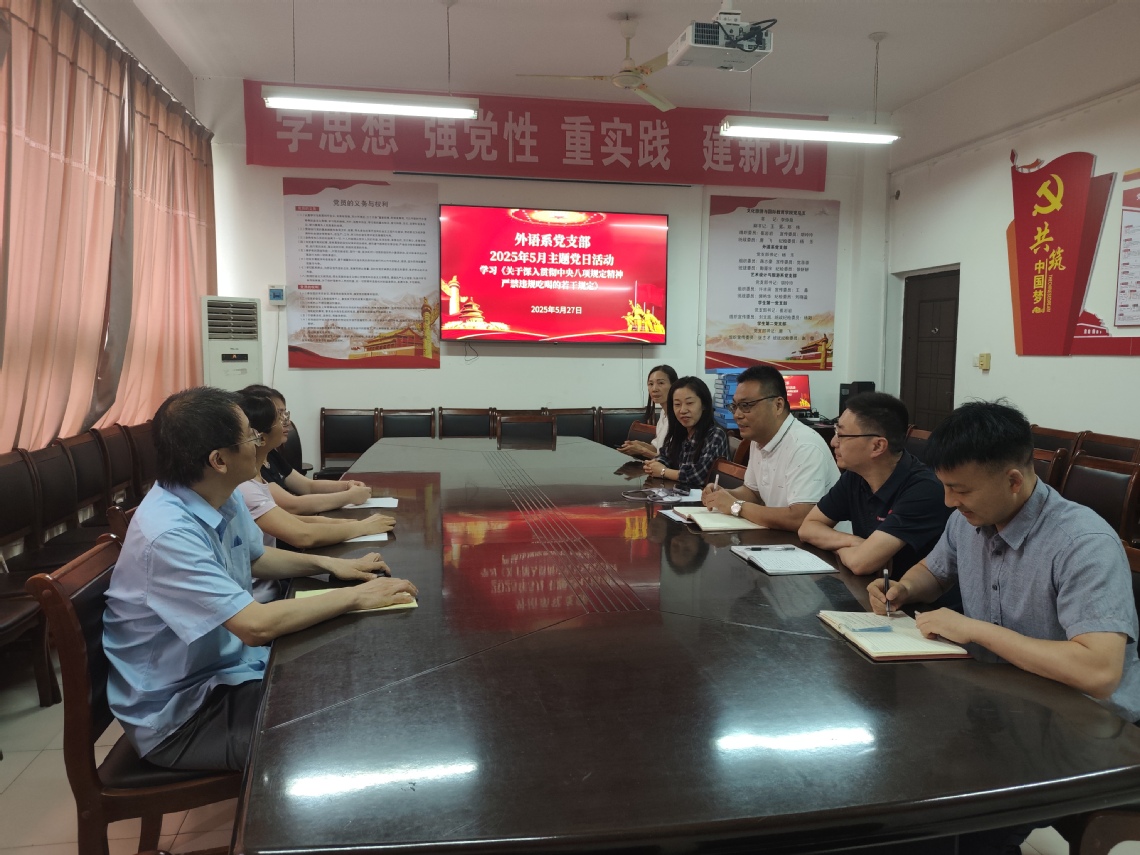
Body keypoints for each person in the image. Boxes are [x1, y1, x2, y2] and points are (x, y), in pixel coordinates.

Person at [869, 401, 1140, 855]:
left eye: (960, 490)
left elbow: (1099, 671)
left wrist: (974, 629)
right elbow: (934, 571)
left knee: (944, 809)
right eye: (945, 487)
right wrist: (903, 588)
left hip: (1085, 727)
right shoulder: (968, 519)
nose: (949, 502)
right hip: (1005, 704)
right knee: (896, 762)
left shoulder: (1082, 543)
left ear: (1014, 481)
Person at [102, 387, 417, 772]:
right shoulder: (167, 534)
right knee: (343, 728)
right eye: (250, 437)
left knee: (351, 675)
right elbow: (255, 626)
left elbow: (257, 556)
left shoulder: (219, 492)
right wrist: (358, 597)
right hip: (183, 714)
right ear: (219, 460)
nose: (259, 442)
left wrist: (331, 566)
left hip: (226, 671)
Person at [798, 392, 952, 577]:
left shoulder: (923, 490)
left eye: (842, 434)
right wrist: (856, 543)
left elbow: (861, 563)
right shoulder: (856, 475)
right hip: (872, 587)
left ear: (877, 446)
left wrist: (848, 549)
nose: (833, 442)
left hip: (912, 593)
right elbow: (808, 528)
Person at [235, 391, 393, 551]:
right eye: (278, 417)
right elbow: (301, 529)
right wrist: (359, 524)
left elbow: (301, 499)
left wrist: (346, 521)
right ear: (260, 437)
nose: (286, 423)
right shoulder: (245, 485)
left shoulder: (266, 462)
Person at [700, 365, 839, 531]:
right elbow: (754, 493)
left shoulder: (804, 446)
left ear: (778, 405)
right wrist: (724, 495)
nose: (737, 415)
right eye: (735, 406)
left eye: (746, 405)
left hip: (824, 545)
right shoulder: (758, 439)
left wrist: (736, 506)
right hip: (781, 537)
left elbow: (801, 518)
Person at [239, 384, 373, 514]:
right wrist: (349, 497)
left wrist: (347, 485)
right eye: (278, 417)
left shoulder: (270, 454)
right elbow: (292, 505)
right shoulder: (251, 467)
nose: (286, 422)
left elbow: (308, 486)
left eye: (285, 415)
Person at [643, 377, 729, 490]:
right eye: (677, 404)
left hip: (704, 498)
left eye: (689, 403)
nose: (683, 410)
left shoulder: (715, 434)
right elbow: (665, 456)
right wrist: (655, 465)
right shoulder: (680, 430)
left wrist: (663, 471)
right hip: (680, 495)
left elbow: (699, 475)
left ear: (704, 404)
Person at [618, 364, 677, 459]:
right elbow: (657, 449)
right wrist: (639, 444)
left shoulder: (679, 416)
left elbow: (672, 461)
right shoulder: (663, 413)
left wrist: (642, 450)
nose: (654, 389)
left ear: (674, 385)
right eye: (651, 384)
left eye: (661, 383)